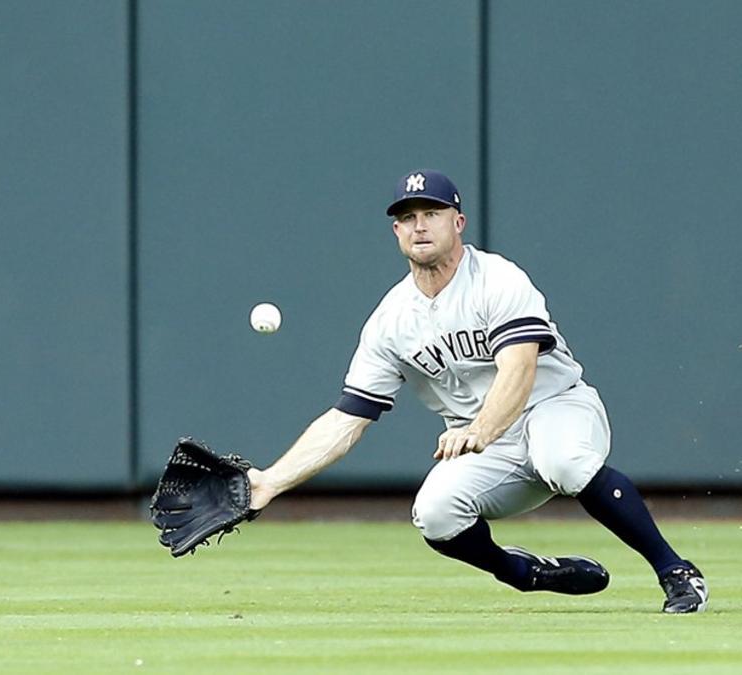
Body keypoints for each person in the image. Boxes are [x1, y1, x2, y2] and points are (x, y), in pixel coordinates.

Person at [246, 170, 708, 613]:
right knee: (434, 514)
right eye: (408, 217)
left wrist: (483, 427)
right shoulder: (390, 321)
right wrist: (271, 481)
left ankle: (675, 571)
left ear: (458, 222)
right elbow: (347, 418)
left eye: (432, 212)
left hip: (555, 408)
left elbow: (520, 366)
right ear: (396, 231)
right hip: (488, 445)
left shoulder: (497, 279)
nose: (419, 225)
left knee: (563, 460)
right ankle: (524, 573)